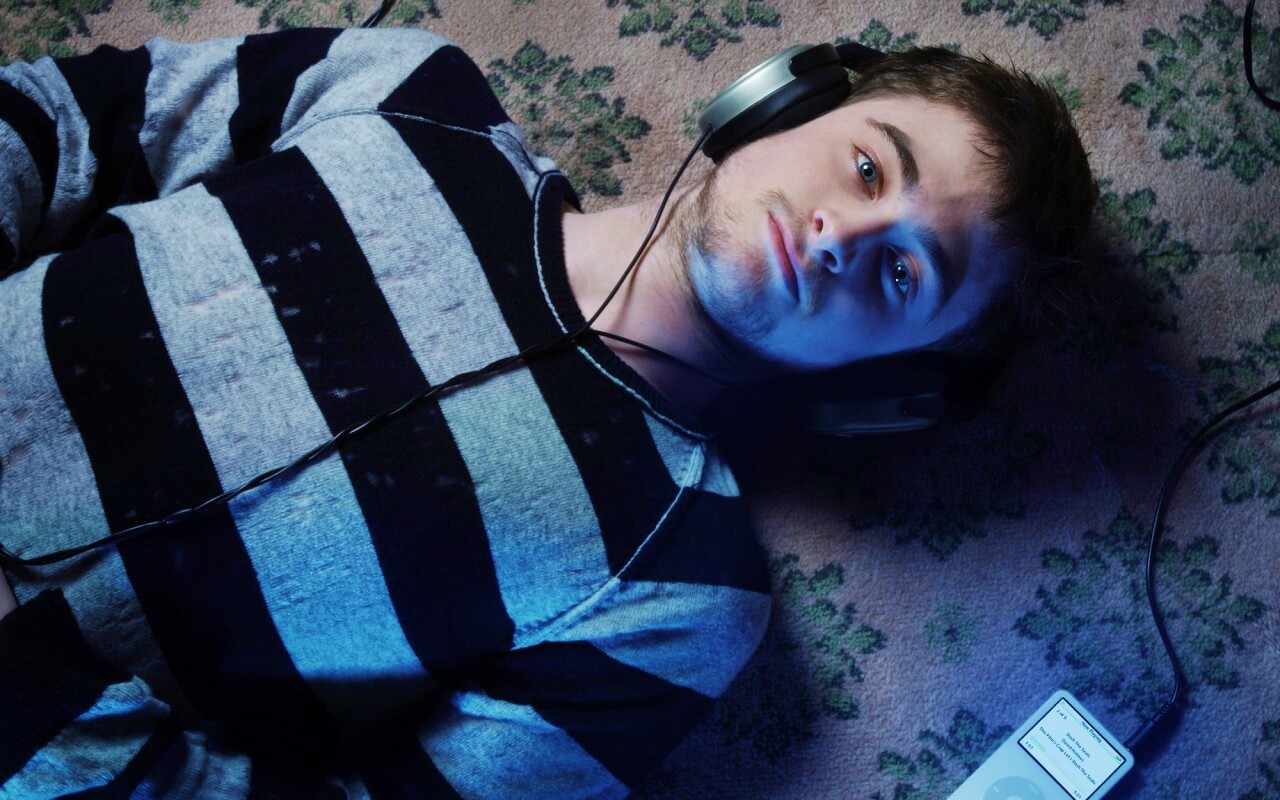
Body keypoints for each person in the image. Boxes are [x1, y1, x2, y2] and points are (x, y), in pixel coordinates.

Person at [0, 24, 1095, 799]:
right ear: (779, 101)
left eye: (904, 273)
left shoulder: (680, 597)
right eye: (866, 168)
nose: (840, 236)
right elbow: (59, 123)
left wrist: (31, 700)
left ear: (884, 379)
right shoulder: (408, 94)